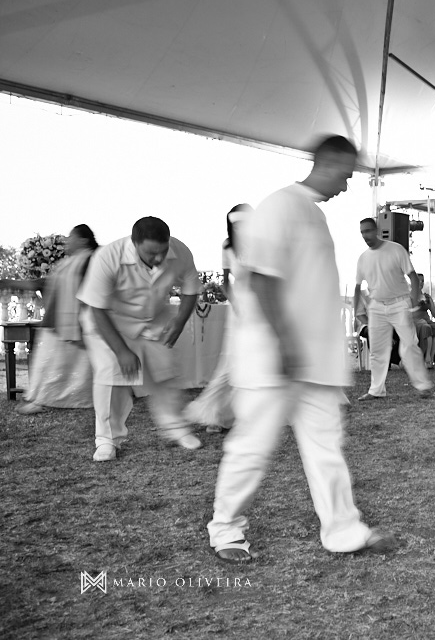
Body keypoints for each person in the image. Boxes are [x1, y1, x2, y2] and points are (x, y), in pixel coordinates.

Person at [207, 135, 393, 563]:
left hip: (312, 362)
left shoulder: (309, 212)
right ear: (329, 163)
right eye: (346, 174)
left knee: (326, 448)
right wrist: (284, 344)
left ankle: (343, 530)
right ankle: (226, 528)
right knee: (252, 447)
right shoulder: (280, 206)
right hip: (275, 359)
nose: (346, 185)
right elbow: (261, 278)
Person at [78, 217, 204, 462]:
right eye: (151, 253)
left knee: (165, 370)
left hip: (152, 320)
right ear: (134, 243)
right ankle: (106, 441)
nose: (158, 259)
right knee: (111, 375)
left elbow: (191, 289)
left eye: (163, 251)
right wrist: (122, 351)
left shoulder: (180, 251)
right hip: (108, 322)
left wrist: (180, 321)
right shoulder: (107, 257)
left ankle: (175, 426)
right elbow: (97, 309)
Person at [0, 224, 99, 413]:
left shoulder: (92, 260)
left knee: (78, 364)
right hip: (57, 320)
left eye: (71, 237)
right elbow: (43, 283)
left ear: (83, 240)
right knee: (50, 362)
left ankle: (78, 399)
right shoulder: (67, 263)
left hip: (81, 320)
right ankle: (43, 399)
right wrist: (12, 283)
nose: (67, 241)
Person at [183, 204, 252, 433]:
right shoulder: (228, 247)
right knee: (230, 364)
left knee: (250, 363)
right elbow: (224, 281)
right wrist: (237, 305)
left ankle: (233, 416)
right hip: (239, 311)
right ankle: (213, 413)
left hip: (260, 308)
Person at [353, 218, 433, 401]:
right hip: (376, 307)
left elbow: (412, 277)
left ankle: (423, 386)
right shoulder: (363, 258)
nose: (365, 235)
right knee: (378, 350)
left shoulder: (396, 249)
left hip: (399, 304)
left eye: (368, 231)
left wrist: (413, 301)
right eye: (362, 232)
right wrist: (356, 312)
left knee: (410, 344)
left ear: (376, 230)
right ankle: (376, 390)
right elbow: (358, 287)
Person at [414, 273, 435, 368]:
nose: (421, 282)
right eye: (418, 280)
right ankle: (426, 356)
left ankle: (430, 360)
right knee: (426, 327)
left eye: (422, 281)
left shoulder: (427, 297)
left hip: (427, 320)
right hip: (415, 322)